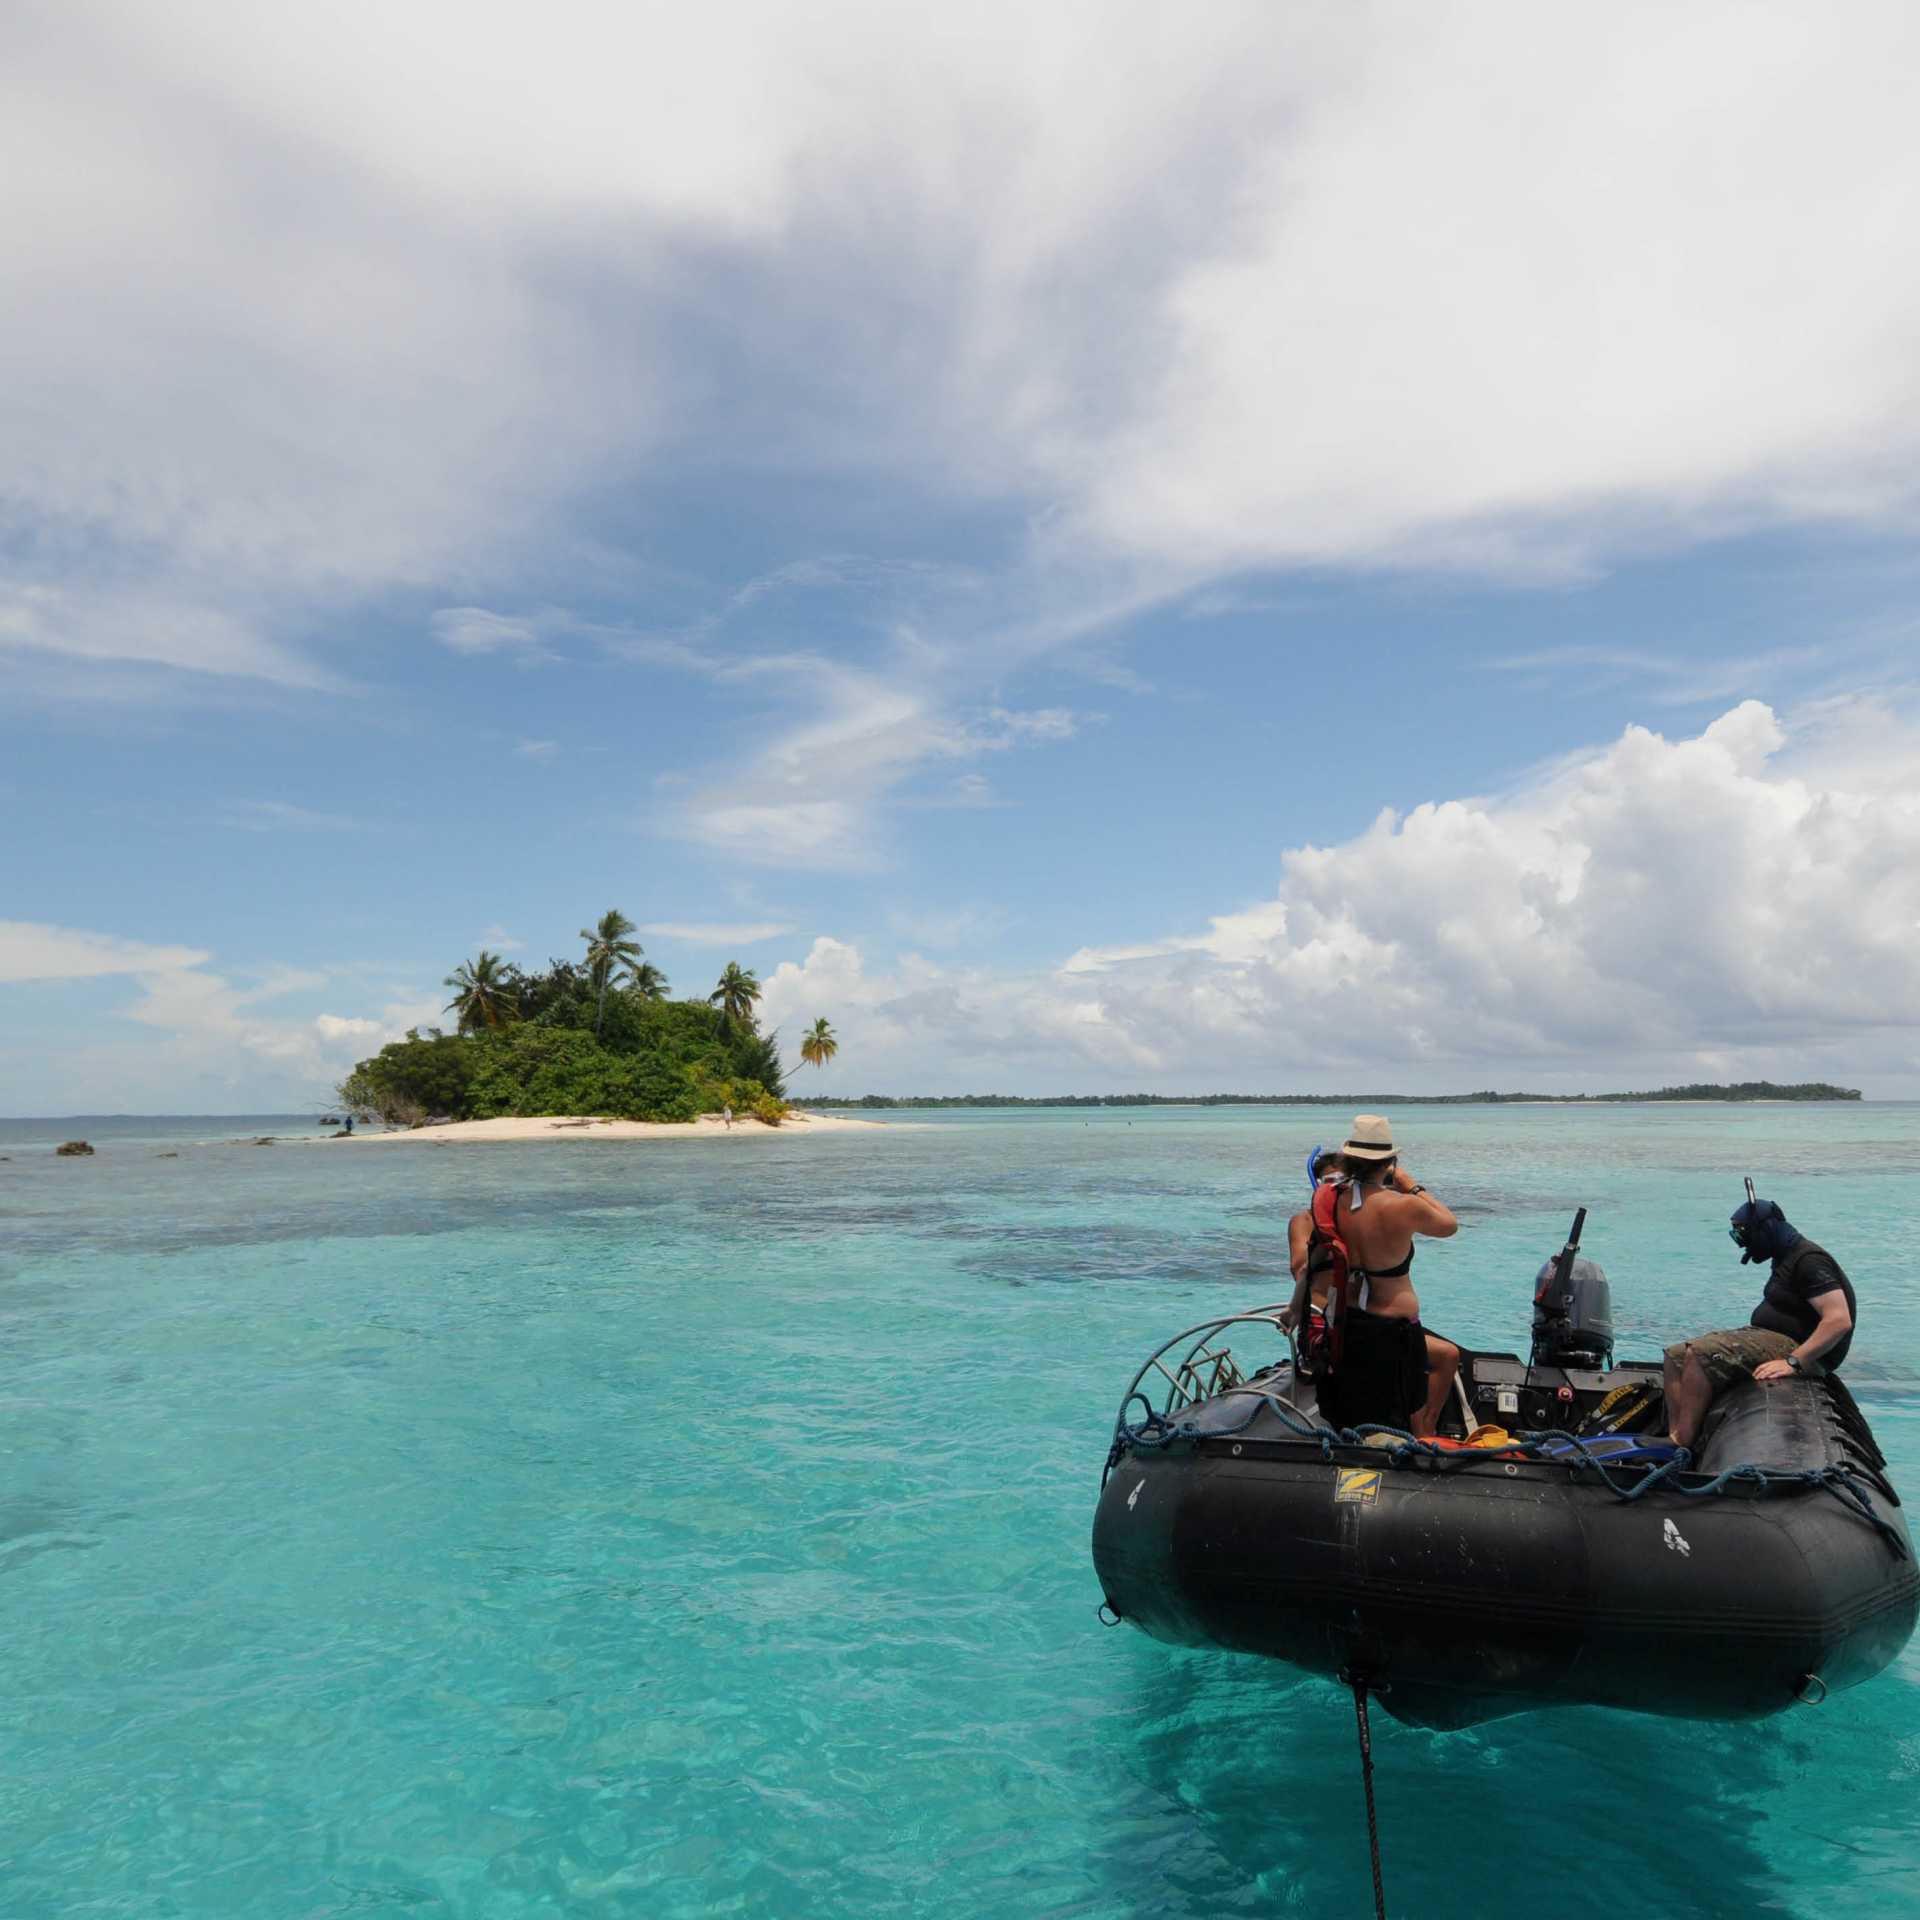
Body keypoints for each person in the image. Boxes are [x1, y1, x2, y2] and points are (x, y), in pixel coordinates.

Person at [1663, 1190, 1856, 1453]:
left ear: (1765, 1230)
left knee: (1699, 1355)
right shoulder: (1784, 1256)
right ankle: (1675, 1436)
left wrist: (1794, 1362)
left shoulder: (1809, 1261)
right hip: (1773, 1336)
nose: (1742, 1243)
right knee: (1674, 1355)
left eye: (1744, 1234)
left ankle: (1683, 1443)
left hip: (1801, 1349)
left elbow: (1838, 1320)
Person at [1325, 1115, 1461, 1437]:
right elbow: (1449, 1224)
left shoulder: (1337, 1201)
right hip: (1396, 1329)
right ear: (1389, 1162)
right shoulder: (1403, 1205)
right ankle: (1425, 1433)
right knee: (1448, 1358)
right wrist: (1411, 1185)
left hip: (1356, 1322)